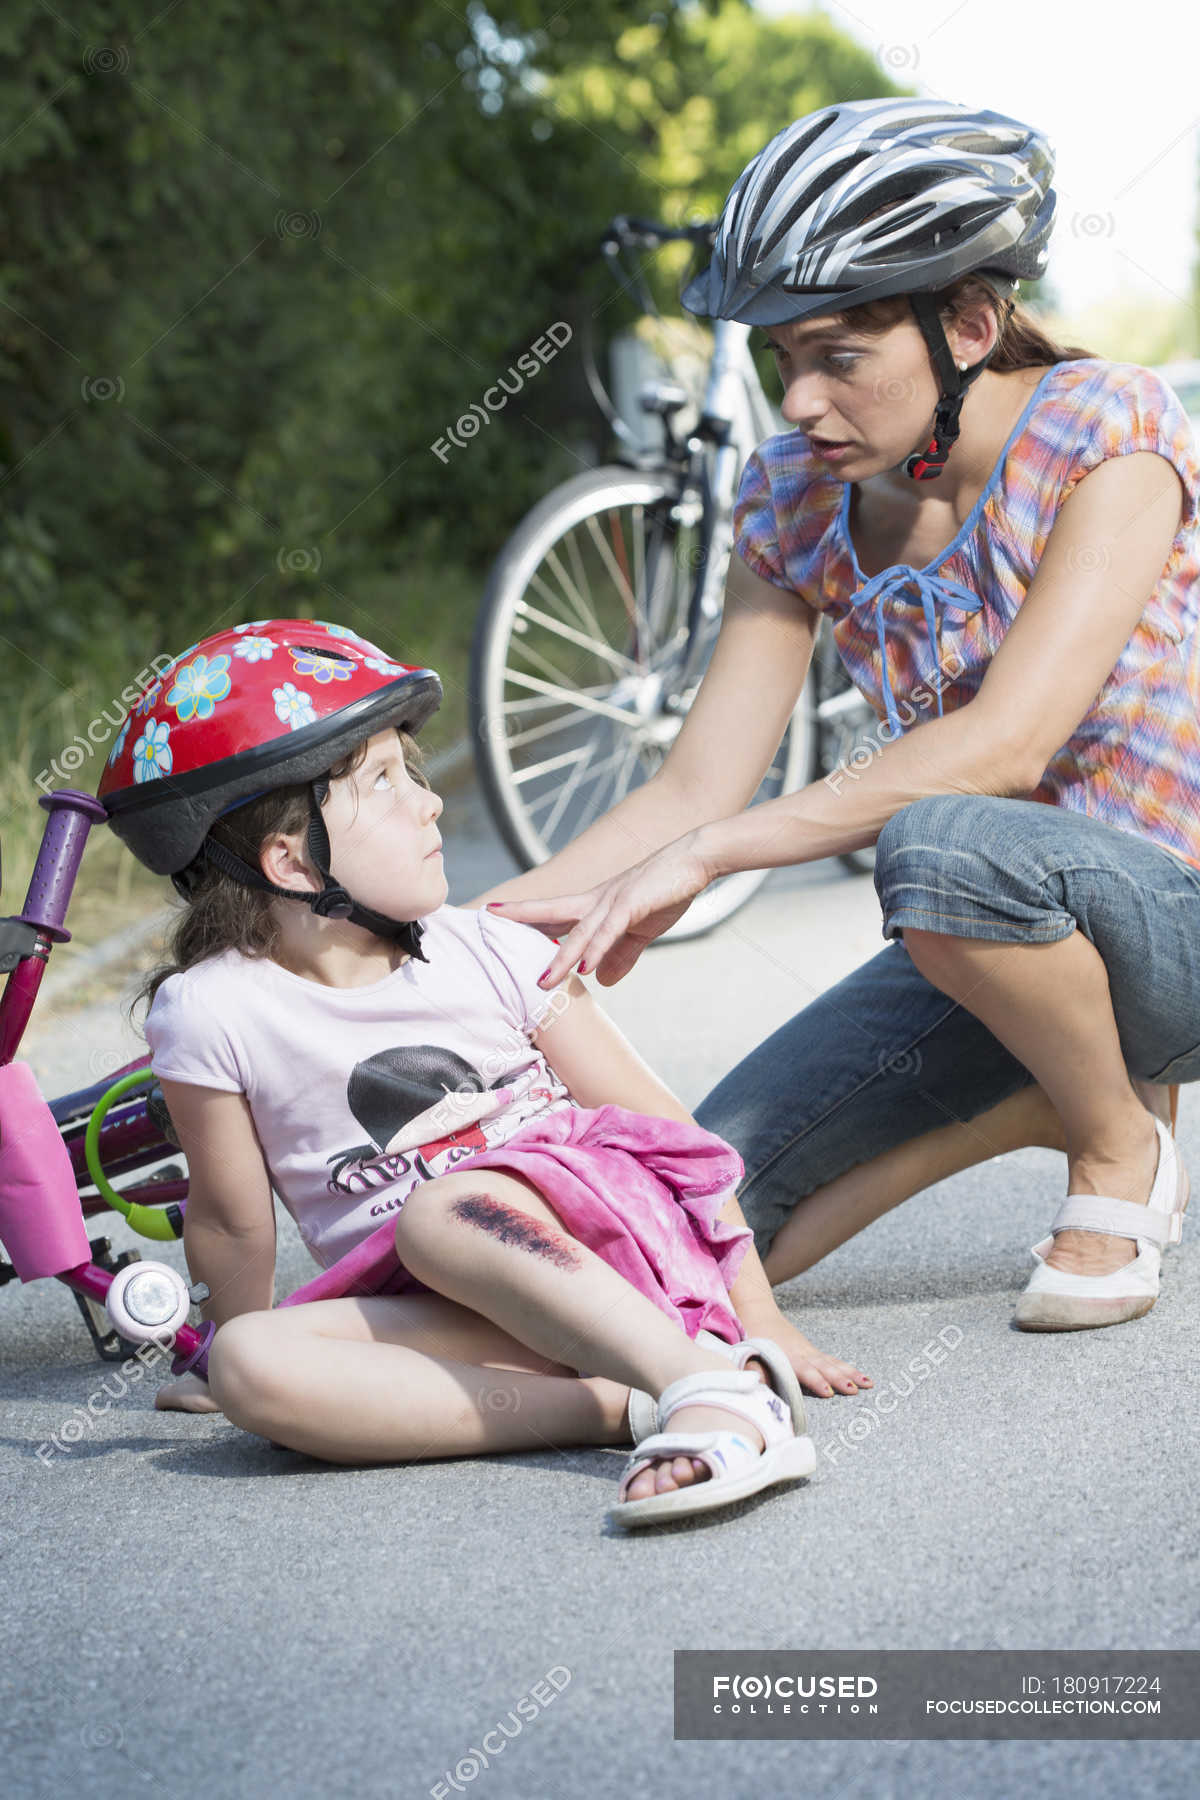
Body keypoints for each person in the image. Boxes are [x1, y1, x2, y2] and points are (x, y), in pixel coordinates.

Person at [482, 97, 1199, 1333]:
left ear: (969, 324)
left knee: (937, 839)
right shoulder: (796, 500)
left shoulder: (1106, 433)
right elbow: (693, 788)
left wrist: (703, 860)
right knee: (690, 1216)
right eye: (781, 361)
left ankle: (1114, 1147)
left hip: (1167, 915)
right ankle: (1047, 1088)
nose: (800, 400)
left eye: (839, 357)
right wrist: (445, 942)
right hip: (989, 942)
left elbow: (1003, 745)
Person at [99, 618, 870, 1528]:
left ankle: (706, 1377)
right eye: (383, 783)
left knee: (443, 1211)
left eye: (412, 774)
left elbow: (671, 1140)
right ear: (292, 859)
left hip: (612, 1259)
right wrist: (222, 1338)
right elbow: (232, 1221)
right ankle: (642, 1405)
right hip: (461, 1314)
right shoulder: (210, 1010)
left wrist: (760, 1312)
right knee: (247, 1366)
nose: (428, 805)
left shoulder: (490, 950)